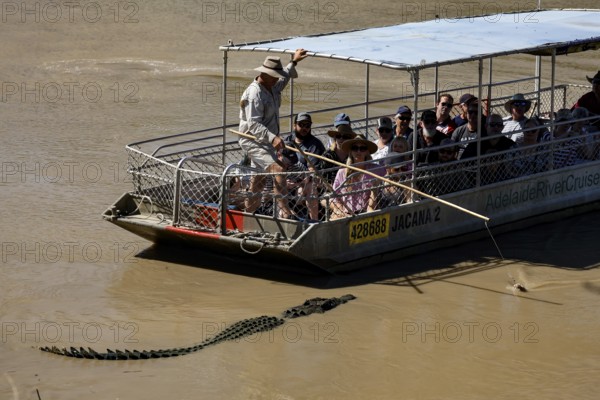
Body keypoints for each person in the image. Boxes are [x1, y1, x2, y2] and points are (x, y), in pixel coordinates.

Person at [238, 49, 308, 218]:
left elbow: (284, 80)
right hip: (253, 140)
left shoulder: (271, 86)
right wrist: (273, 137)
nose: (277, 78)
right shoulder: (255, 94)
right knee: (279, 168)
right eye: (274, 75)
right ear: (266, 74)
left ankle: (249, 212)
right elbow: (253, 124)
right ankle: (284, 209)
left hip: (267, 141)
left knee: (259, 179)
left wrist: (294, 62)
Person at [330, 135, 386, 219]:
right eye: (355, 148)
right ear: (351, 151)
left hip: (367, 212)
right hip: (346, 214)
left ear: (367, 152)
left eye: (362, 148)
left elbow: (389, 176)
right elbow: (334, 197)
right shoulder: (342, 172)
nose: (358, 151)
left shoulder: (376, 169)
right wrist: (340, 211)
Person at [283, 112, 325, 221]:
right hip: (286, 181)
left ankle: (314, 221)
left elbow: (312, 173)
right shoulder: (287, 141)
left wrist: (297, 184)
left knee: (308, 188)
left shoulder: (314, 145)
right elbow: (280, 164)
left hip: (305, 182)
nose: (304, 128)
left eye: (308, 126)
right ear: (294, 125)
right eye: (301, 125)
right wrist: (284, 181)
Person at [462, 113, 516, 185]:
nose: (496, 127)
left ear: (502, 127)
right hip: (479, 184)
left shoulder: (509, 145)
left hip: (504, 183)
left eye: (499, 125)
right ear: (486, 126)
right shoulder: (476, 144)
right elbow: (464, 165)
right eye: (492, 125)